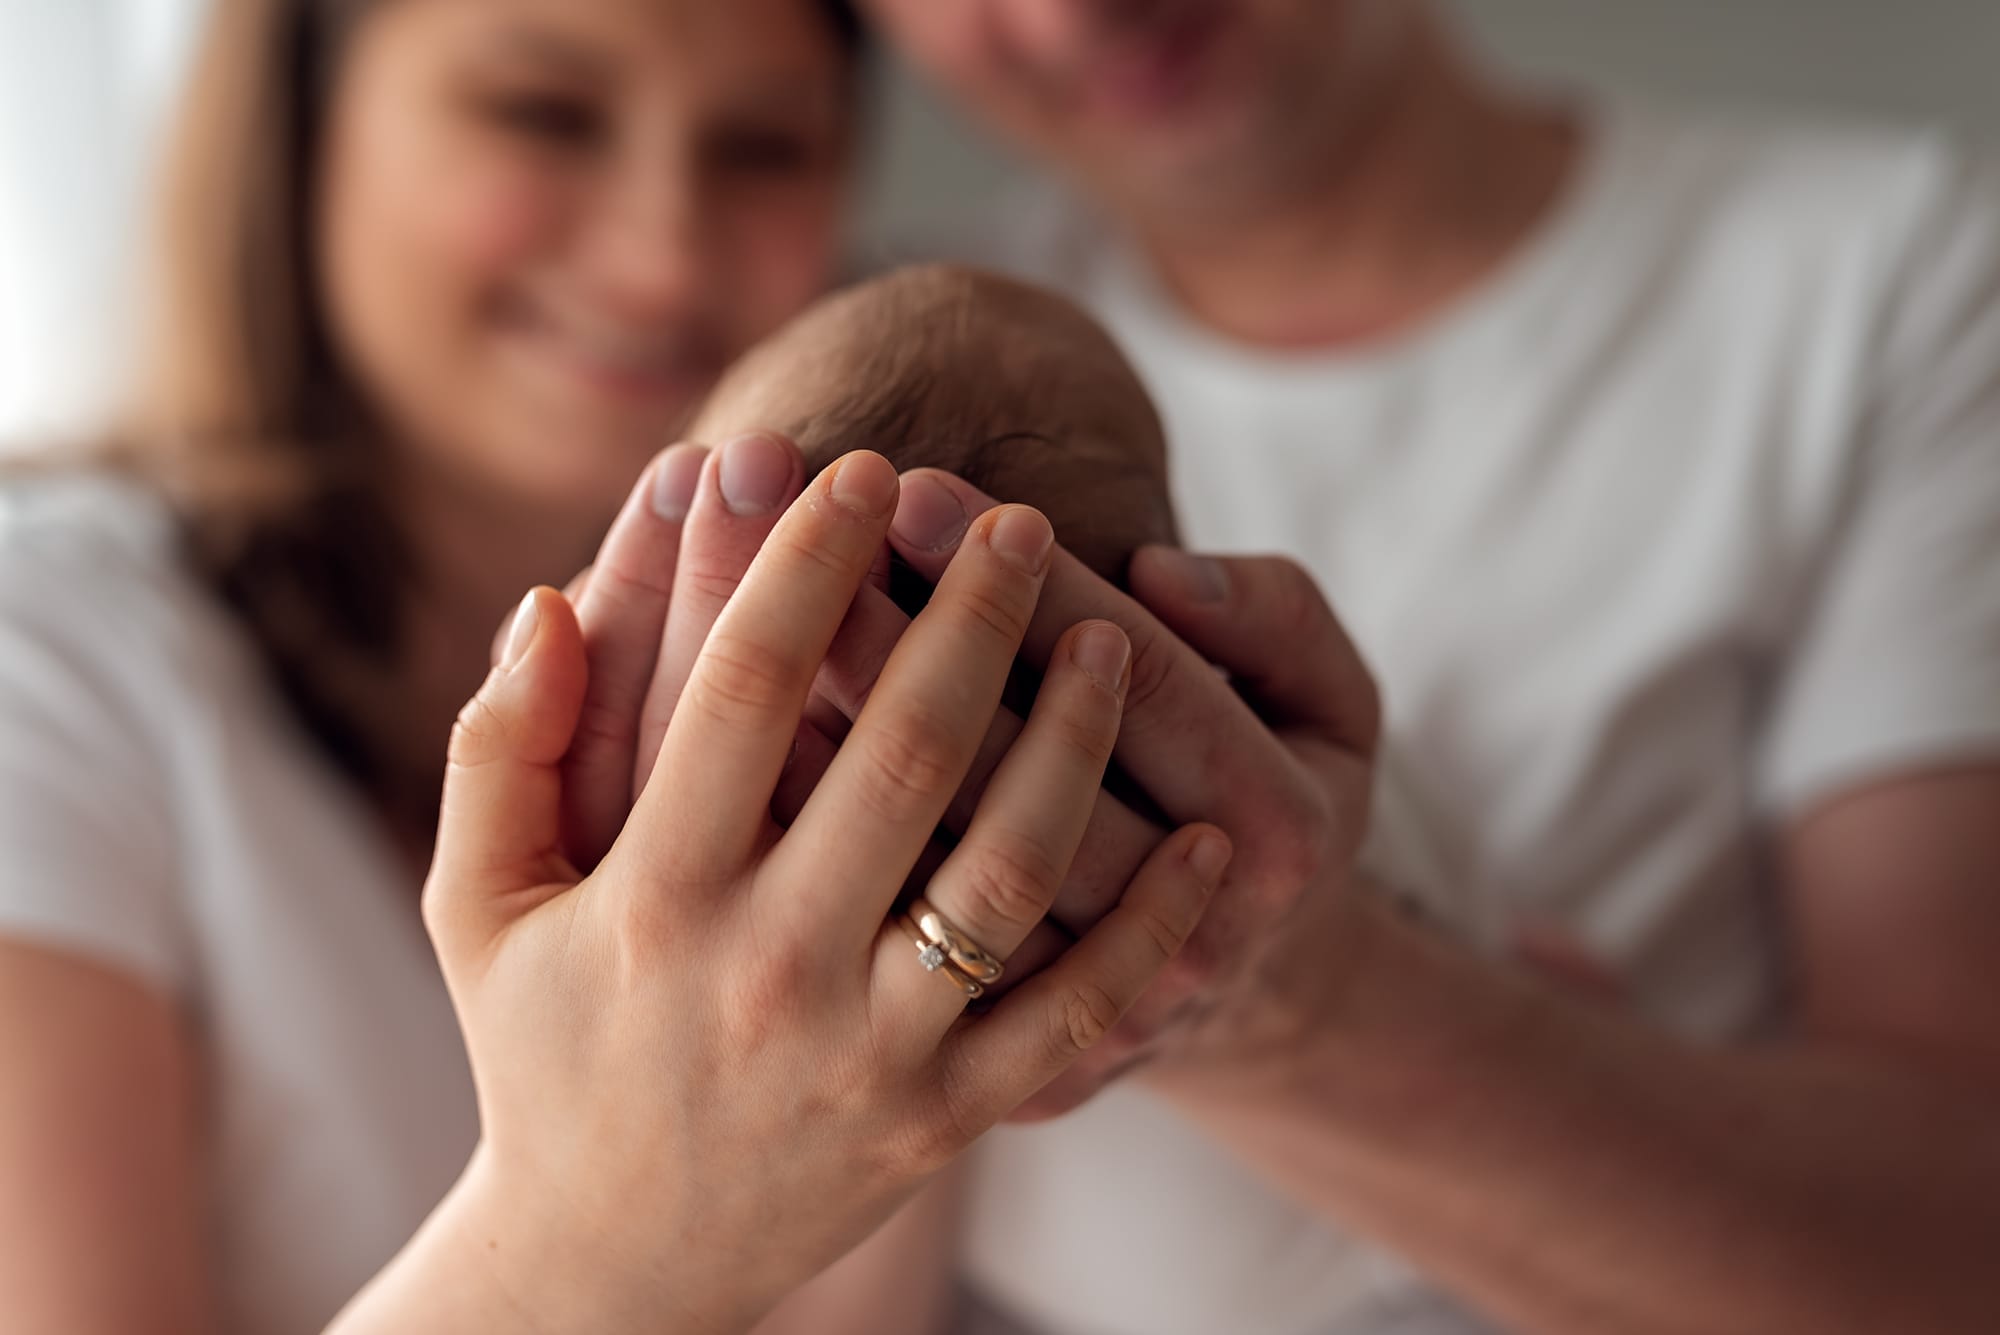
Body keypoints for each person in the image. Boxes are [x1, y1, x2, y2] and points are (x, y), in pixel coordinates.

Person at [632, 1, 2000, 1330]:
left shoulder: (1886, 284)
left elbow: (1956, 1251)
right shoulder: (880, 362)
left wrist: (1301, 987)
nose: (1063, 17)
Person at [0, 2, 1232, 1332]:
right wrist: (591, 1238)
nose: (661, 260)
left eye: (762, 147)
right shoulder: (48, 659)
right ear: (301, 121)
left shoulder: (916, 687)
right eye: (542, 114)